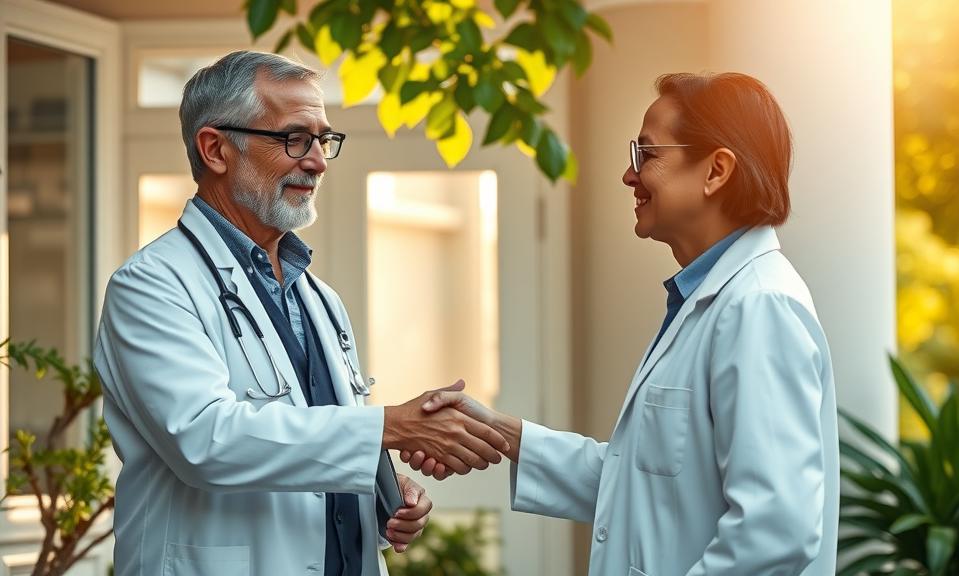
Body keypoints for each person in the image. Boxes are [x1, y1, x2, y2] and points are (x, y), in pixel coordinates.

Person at [93, 50, 509, 576]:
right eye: (294, 138)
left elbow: (320, 432)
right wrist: (390, 428)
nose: (317, 161)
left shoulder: (318, 297)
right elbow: (205, 440)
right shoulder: (151, 286)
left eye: (323, 140)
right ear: (215, 149)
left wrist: (386, 498)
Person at [405, 72, 840, 575]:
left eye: (646, 155)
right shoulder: (711, 300)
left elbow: (775, 531)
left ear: (717, 170)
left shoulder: (758, 307)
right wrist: (501, 433)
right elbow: (643, 482)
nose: (629, 175)